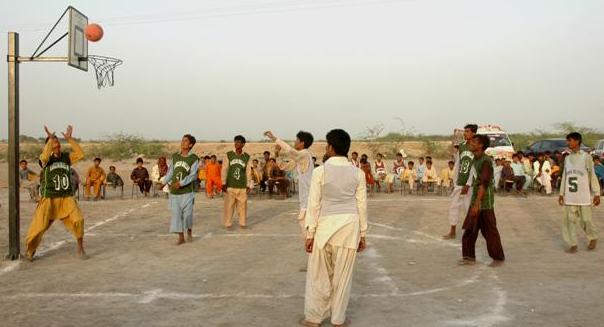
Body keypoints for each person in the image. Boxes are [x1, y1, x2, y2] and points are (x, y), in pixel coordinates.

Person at [301, 129, 367, 327]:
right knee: (343, 277)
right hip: (349, 228)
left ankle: (314, 318)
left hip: (324, 228)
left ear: (331, 147)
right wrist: (363, 234)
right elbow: (361, 204)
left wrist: (309, 233)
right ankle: (338, 320)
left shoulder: (320, 172)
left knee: (318, 275)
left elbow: (314, 204)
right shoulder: (358, 173)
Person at [26, 125, 87, 261]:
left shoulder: (66, 157)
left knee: (78, 220)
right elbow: (44, 156)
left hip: (66, 197)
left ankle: (80, 247)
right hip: (50, 199)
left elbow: (81, 154)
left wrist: (70, 139)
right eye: (53, 141)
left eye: (57, 141)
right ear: (49, 145)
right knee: (40, 227)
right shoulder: (45, 160)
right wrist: (49, 140)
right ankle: (31, 250)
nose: (56, 143)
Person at [459, 134, 505, 266]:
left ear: (481, 145)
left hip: (484, 201)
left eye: (474, 142)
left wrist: (476, 204)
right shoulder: (475, 159)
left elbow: (484, 184)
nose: (471, 143)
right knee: (470, 229)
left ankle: (498, 257)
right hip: (476, 199)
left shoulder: (485, 161)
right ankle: (468, 257)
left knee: (489, 231)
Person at [265, 130, 315, 240]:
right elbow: (283, 166)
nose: (295, 142)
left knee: (309, 235)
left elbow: (290, 150)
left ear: (302, 143)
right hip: (305, 202)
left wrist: (274, 138)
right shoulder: (300, 158)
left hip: (309, 202)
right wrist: (277, 155)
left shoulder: (305, 154)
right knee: (307, 235)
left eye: (297, 140)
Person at [558, 132, 601, 253]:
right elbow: (565, 177)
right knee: (569, 221)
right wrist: (561, 194)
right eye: (567, 141)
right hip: (570, 196)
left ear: (577, 141)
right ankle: (572, 244)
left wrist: (597, 193)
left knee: (586, 220)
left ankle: (592, 237)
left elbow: (592, 175)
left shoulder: (586, 157)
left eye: (570, 140)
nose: (568, 143)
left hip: (583, 196)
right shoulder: (567, 158)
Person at [159, 134, 200, 245]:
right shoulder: (175, 157)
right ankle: (181, 236)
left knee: (187, 215)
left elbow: (192, 175)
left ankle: (189, 231)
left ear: (190, 144)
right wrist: (163, 182)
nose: (182, 142)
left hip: (187, 192)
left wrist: (181, 183)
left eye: (185, 141)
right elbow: (171, 172)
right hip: (174, 192)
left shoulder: (194, 158)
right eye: (182, 140)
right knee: (176, 215)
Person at [443, 124, 476, 240]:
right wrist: (455, 180)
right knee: (454, 206)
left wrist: (468, 183)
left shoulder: (476, 147)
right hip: (460, 181)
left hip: (469, 184)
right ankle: (452, 231)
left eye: (467, 131)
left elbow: (474, 167)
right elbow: (458, 164)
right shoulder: (462, 146)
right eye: (465, 131)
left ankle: (471, 231)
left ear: (473, 133)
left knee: (468, 208)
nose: (465, 133)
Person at [221, 135, 253, 229]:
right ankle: (228, 223)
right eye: (235, 142)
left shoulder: (247, 157)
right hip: (230, 185)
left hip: (242, 186)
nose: (236, 144)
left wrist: (248, 184)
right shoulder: (228, 155)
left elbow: (248, 171)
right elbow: (224, 169)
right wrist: (223, 182)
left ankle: (242, 223)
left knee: (242, 206)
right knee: (229, 206)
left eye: (239, 142)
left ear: (243, 144)